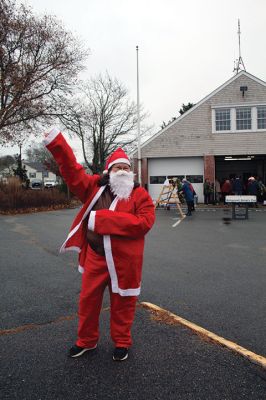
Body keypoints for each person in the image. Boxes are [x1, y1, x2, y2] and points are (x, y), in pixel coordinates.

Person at [44, 128, 155, 361]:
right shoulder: (94, 188)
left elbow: (143, 223)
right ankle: (86, 341)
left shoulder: (140, 195)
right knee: (87, 301)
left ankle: (122, 342)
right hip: (95, 257)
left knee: (123, 303)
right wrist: (57, 143)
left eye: (126, 168)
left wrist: (101, 220)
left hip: (125, 262)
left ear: (131, 172)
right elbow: (73, 172)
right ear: (109, 171)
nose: (123, 171)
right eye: (118, 168)